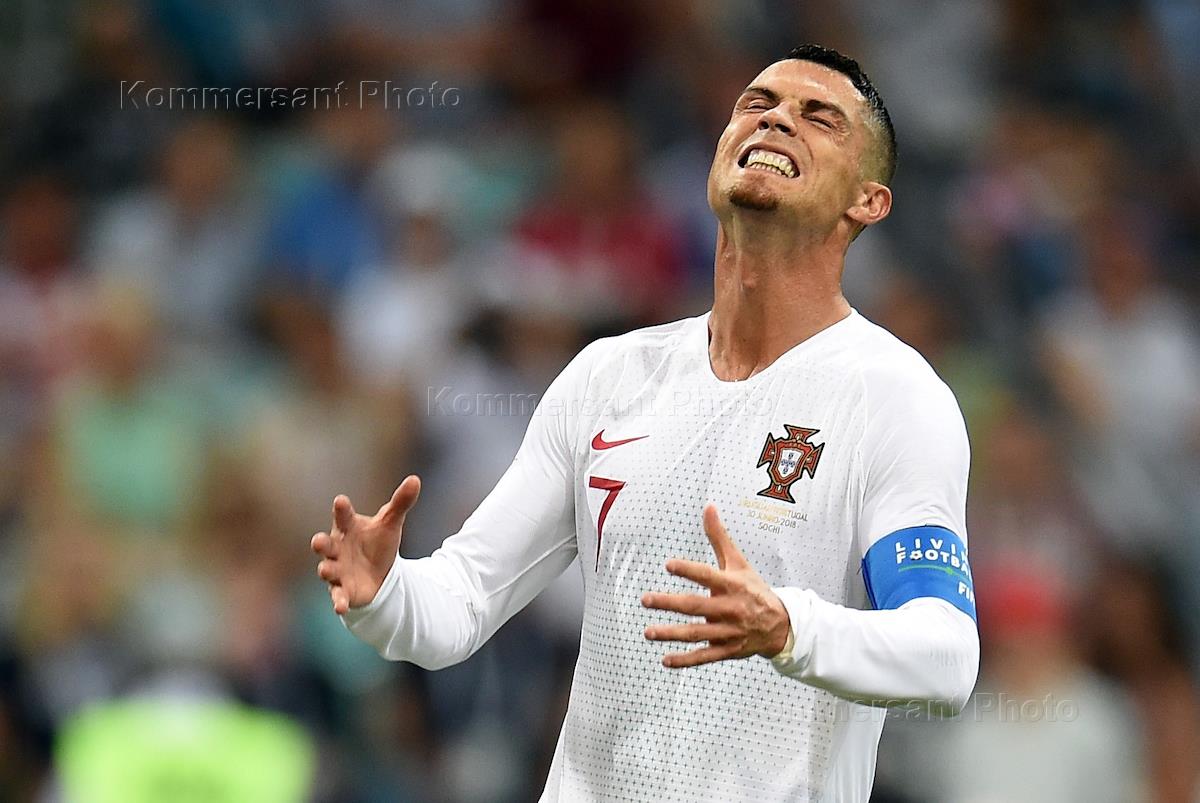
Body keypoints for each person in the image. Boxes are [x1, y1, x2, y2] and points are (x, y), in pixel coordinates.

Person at [312, 44, 979, 802]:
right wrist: (383, 593)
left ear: (868, 200)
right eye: (757, 104)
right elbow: (458, 602)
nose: (776, 120)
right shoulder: (609, 376)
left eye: (819, 116)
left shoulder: (893, 397)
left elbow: (945, 659)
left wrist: (790, 628)